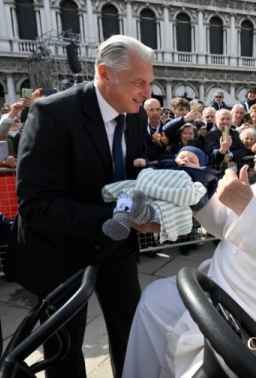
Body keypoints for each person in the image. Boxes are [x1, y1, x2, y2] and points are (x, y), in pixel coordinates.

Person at [123, 118, 256, 378]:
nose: (254, 148)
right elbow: (228, 225)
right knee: (152, 300)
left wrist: (246, 206)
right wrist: (196, 198)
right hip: (223, 288)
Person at [5, 35, 157, 378]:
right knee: (64, 351)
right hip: (59, 251)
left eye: (150, 83)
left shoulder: (134, 115)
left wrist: (158, 183)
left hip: (116, 246)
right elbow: (37, 205)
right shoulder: (52, 114)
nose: (148, 94)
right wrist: (121, 216)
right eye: (139, 82)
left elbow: (135, 168)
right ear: (105, 74)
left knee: (131, 331)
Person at [101, 146, 218, 243]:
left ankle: (146, 213)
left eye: (192, 161)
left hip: (170, 199)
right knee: (126, 193)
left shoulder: (199, 178)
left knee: (167, 208)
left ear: (200, 167)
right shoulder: (167, 166)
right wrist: (144, 166)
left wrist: (193, 197)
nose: (185, 160)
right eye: (182, 157)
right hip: (150, 190)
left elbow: (200, 196)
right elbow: (152, 174)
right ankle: (121, 222)